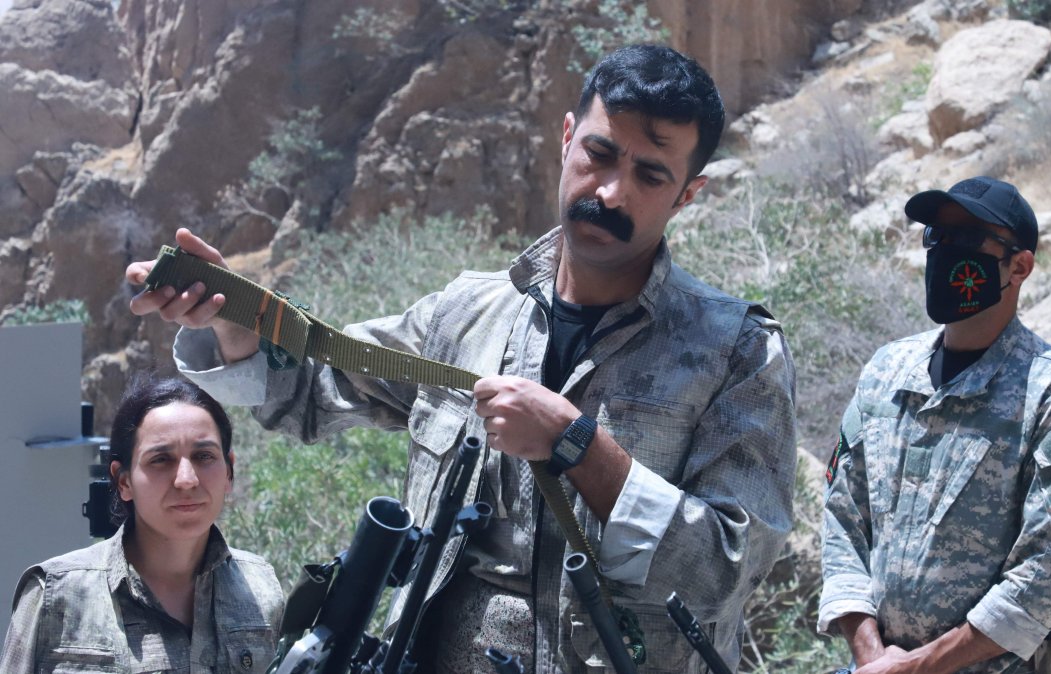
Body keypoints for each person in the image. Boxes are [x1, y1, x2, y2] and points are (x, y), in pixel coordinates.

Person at [125, 45, 798, 672]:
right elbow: (309, 391)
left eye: (650, 174)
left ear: (687, 194)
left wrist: (582, 449)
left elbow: (726, 570)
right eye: (599, 153)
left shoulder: (735, 352)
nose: (612, 192)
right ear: (567, 139)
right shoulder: (465, 314)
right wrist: (232, 319)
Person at [819, 176, 1051, 674]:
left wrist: (917, 667)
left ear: (1019, 266)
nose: (945, 252)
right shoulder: (885, 372)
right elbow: (842, 517)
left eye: (965, 240)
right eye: (936, 237)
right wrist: (872, 656)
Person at [0, 376, 284, 673]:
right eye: (161, 459)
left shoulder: (261, 590)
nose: (187, 479)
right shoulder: (56, 596)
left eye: (204, 456)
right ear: (124, 481)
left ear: (229, 472)